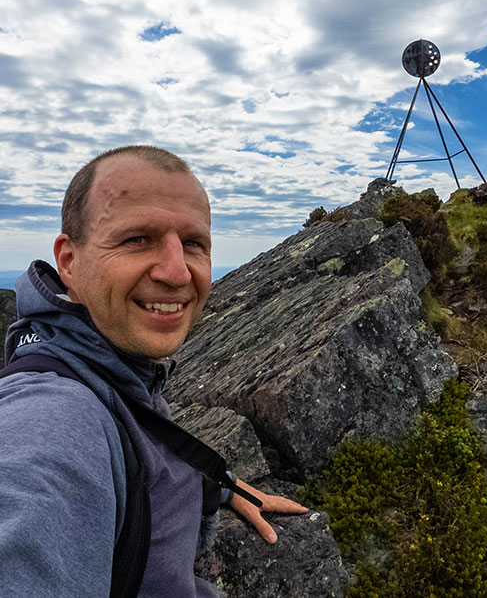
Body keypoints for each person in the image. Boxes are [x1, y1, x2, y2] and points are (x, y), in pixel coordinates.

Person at [0, 145, 307, 597]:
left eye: (193, 244)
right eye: (137, 239)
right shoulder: (53, 419)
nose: (177, 273)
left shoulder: (110, 368)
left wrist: (217, 487)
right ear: (68, 261)